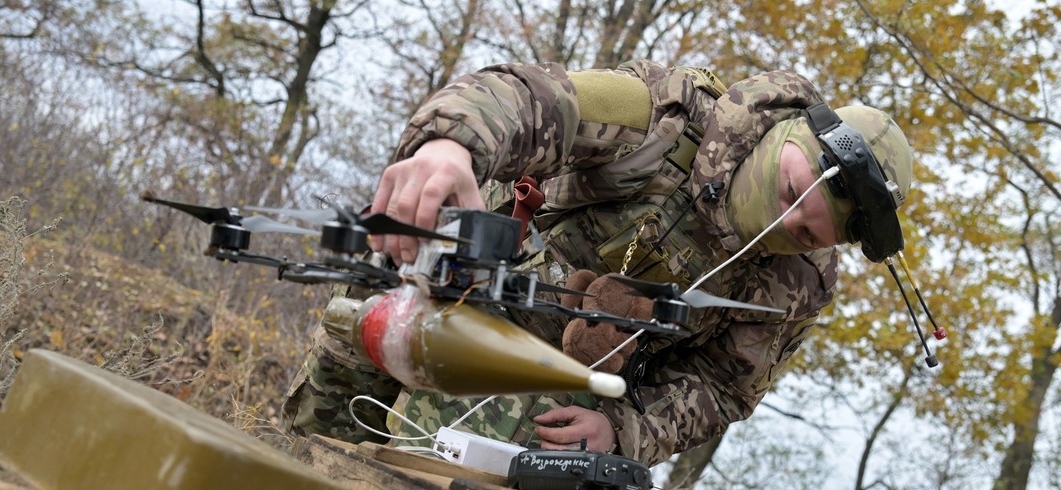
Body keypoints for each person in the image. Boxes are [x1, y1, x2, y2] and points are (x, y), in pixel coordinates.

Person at [281, 59, 913, 467]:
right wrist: (451, 147)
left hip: (553, 392)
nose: (781, 223)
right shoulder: (664, 119)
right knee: (323, 419)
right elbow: (533, 99)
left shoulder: (796, 284)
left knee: (464, 487)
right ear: (786, 135)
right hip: (449, 291)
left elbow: (723, 387)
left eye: (802, 233)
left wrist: (621, 430)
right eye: (786, 193)